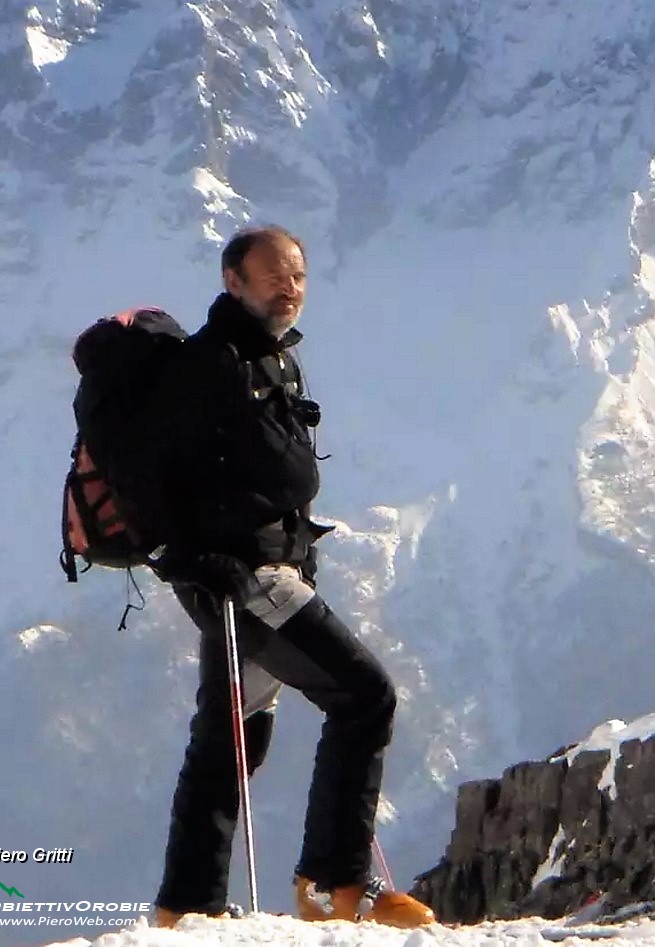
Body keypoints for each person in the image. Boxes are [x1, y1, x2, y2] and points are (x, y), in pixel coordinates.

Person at [149, 226, 434, 929]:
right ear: (232, 281)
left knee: (231, 731)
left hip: (265, 570)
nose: (290, 286)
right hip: (244, 578)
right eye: (274, 274)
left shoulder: (269, 359)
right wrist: (193, 557)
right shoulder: (208, 365)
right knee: (365, 695)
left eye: (299, 275)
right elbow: (158, 477)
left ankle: (185, 906)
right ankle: (336, 882)